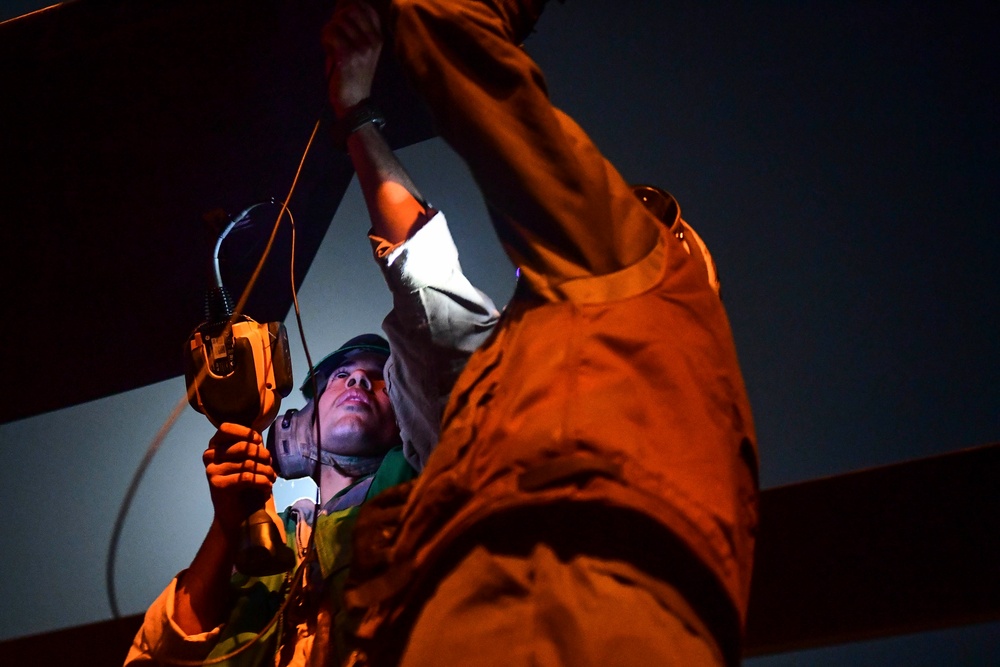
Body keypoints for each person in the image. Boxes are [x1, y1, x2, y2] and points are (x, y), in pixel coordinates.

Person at [339, 1, 760, 666]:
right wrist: (358, 113)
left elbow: (456, 45)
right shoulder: (522, 367)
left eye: (631, 205)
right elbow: (419, 256)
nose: (613, 200)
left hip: (565, 612)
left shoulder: (642, 266)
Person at [122, 3, 499, 664]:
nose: (358, 380)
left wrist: (356, 117)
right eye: (338, 377)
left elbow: (437, 313)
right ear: (294, 429)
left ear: (407, 418)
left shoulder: (433, 493)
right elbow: (152, 659)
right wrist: (227, 526)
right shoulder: (261, 554)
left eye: (380, 381)